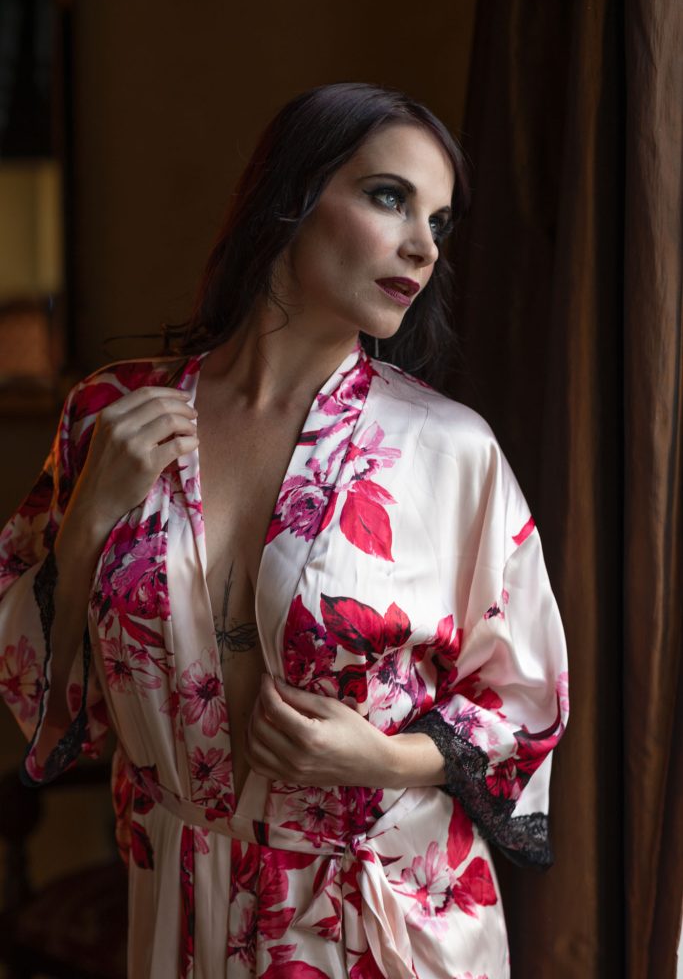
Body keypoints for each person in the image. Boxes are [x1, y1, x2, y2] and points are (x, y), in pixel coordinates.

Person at [0, 82, 569, 978]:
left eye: (440, 222)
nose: (422, 247)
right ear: (290, 196)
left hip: (385, 925)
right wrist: (81, 534)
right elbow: (35, 681)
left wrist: (380, 757)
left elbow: (524, 707)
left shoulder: (448, 451)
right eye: (390, 197)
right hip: (179, 909)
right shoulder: (108, 417)